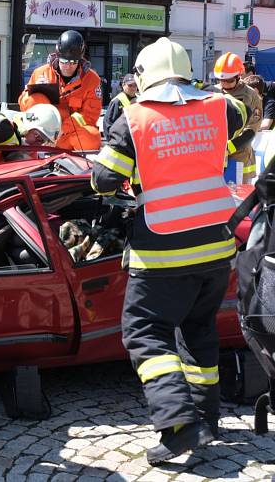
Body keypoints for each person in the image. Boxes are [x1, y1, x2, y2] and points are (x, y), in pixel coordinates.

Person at [91, 37, 251, 466]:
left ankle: (178, 425)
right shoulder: (221, 106)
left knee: (145, 331)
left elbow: (104, 180)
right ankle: (207, 418)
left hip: (163, 249)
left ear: (143, 77)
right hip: (217, 245)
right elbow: (242, 118)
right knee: (198, 329)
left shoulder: (133, 118)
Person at [19, 30, 102, 151]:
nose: (68, 66)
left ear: (80, 59)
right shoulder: (41, 73)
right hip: (41, 133)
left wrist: (61, 130)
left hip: (68, 135)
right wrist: (32, 93)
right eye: (64, 61)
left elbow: (89, 115)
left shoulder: (92, 79)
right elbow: (24, 104)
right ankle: (35, 145)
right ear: (57, 56)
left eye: (73, 62)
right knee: (35, 98)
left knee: (92, 137)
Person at [213, 52, 262, 184]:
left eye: (229, 80)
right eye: (221, 80)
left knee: (238, 200)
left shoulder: (251, 96)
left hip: (239, 158)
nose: (225, 84)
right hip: (215, 159)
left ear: (238, 76)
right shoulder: (213, 92)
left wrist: (228, 148)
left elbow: (251, 131)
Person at [103, 74, 137, 139]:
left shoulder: (139, 99)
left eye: (135, 85)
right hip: (121, 140)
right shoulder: (117, 101)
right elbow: (108, 124)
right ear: (123, 85)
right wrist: (112, 141)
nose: (133, 88)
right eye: (130, 85)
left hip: (133, 139)